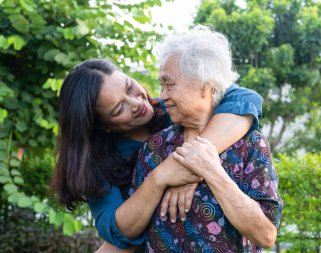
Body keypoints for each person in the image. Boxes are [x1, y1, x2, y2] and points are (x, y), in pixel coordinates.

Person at [50, 56, 264, 252]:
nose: (136, 103)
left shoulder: (175, 109)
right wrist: (159, 178)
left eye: (129, 87)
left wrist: (188, 163)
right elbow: (116, 232)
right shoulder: (97, 162)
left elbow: (245, 100)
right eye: (118, 109)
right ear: (103, 126)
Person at [132, 25, 283, 252]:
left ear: (205, 86)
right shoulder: (154, 148)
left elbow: (266, 234)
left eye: (169, 84)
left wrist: (211, 170)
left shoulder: (250, 145)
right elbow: (133, 231)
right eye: (161, 85)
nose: (162, 96)